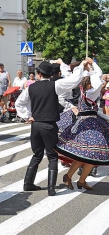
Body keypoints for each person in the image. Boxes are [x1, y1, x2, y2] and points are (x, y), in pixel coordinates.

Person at [15, 60, 86, 196]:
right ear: (51, 74)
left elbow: (19, 103)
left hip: (36, 125)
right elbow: (74, 80)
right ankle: (51, 188)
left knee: (37, 155)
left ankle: (27, 183)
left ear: (39, 74)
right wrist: (81, 66)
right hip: (49, 124)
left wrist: (28, 116)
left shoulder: (31, 87)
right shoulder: (55, 85)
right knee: (52, 156)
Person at [56, 61, 108, 191]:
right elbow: (99, 77)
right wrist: (92, 65)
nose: (103, 85)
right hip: (89, 126)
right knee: (89, 154)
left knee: (87, 155)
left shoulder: (83, 92)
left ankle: (79, 179)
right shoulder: (91, 93)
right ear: (90, 84)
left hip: (87, 124)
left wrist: (89, 67)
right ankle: (73, 177)